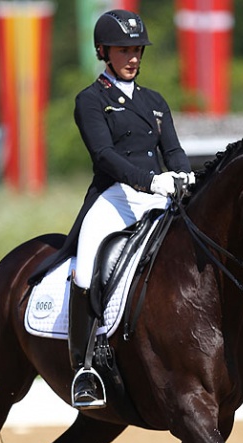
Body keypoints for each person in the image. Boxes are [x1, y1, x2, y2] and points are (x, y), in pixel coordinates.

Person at [67, 8, 194, 410]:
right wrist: (149, 180)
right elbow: (103, 154)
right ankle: (84, 367)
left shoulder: (155, 102)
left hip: (157, 196)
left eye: (138, 50)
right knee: (85, 266)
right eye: (125, 50)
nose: (134, 57)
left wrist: (184, 175)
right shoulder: (91, 100)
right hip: (113, 198)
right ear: (104, 51)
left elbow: (172, 150)